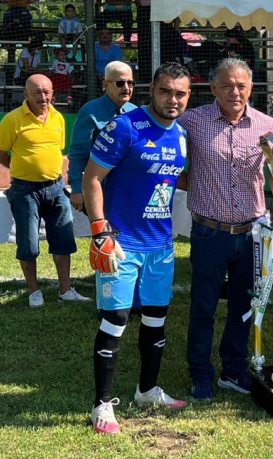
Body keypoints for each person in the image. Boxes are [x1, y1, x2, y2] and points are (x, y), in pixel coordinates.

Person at [82, 62, 192, 434]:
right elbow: (91, 177)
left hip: (160, 246)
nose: (172, 99)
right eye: (165, 91)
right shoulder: (124, 127)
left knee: (156, 319)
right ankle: (101, 405)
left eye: (180, 94)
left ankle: (147, 390)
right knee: (115, 321)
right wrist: (100, 230)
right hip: (122, 244)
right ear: (152, 91)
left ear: (188, 97)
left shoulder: (181, 135)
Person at [179, 58, 273, 401]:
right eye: (227, 85)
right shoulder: (192, 121)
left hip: (252, 234)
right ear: (213, 88)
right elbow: (169, 161)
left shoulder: (266, 124)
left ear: (251, 88)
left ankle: (234, 369)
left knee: (244, 305)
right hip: (210, 233)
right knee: (203, 307)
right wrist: (193, 184)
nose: (235, 92)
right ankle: (201, 374)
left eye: (241, 86)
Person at [0, 75, 91, 308]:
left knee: (64, 239)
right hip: (25, 191)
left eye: (47, 92)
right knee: (28, 243)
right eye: (37, 92)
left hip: (56, 188)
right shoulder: (12, 119)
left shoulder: (58, 118)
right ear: (26, 94)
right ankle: (34, 292)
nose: (43, 97)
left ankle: (65, 290)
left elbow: (57, 149)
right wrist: (22, 169)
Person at [68, 60, 138, 214]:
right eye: (120, 83)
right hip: (101, 188)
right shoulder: (90, 112)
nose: (126, 88)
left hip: (130, 189)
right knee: (104, 228)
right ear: (105, 84)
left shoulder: (135, 112)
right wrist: (77, 188)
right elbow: (78, 154)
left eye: (130, 83)